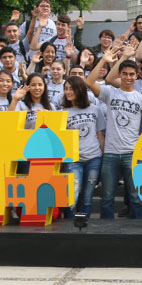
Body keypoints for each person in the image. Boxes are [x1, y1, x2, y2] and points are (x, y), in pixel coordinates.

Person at [87, 48, 142, 219]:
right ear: (120, 75)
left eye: (132, 74)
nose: (128, 77)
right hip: (110, 153)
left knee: (135, 197)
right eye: (124, 74)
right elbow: (89, 82)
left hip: (132, 153)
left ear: (136, 75)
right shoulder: (110, 93)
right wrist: (103, 60)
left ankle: (138, 233)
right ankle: (106, 232)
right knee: (107, 197)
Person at [62, 76, 105, 218]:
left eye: (71, 88)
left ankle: (85, 227)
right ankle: (68, 226)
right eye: (66, 89)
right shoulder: (63, 112)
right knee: (72, 196)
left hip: (94, 158)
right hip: (73, 159)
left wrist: (103, 155)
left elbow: (100, 134)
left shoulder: (94, 109)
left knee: (87, 197)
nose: (68, 92)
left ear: (79, 90)